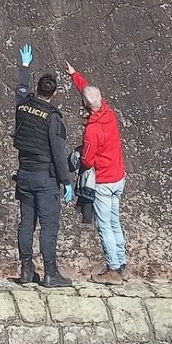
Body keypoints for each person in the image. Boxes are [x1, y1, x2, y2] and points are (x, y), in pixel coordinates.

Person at [12, 44, 72, 288]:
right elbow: (58, 153)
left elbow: (20, 89)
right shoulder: (52, 117)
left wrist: (25, 66)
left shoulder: (23, 105)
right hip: (45, 179)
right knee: (48, 225)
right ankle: (50, 273)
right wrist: (66, 181)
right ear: (54, 93)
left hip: (24, 175)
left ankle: (26, 270)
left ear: (37, 89)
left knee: (26, 223)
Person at [66, 61, 128, 284]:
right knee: (115, 222)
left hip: (103, 181)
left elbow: (87, 159)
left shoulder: (92, 130)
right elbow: (90, 94)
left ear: (84, 104)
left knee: (105, 226)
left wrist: (77, 157)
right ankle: (121, 264)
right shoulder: (108, 112)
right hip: (118, 177)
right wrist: (75, 75)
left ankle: (112, 269)